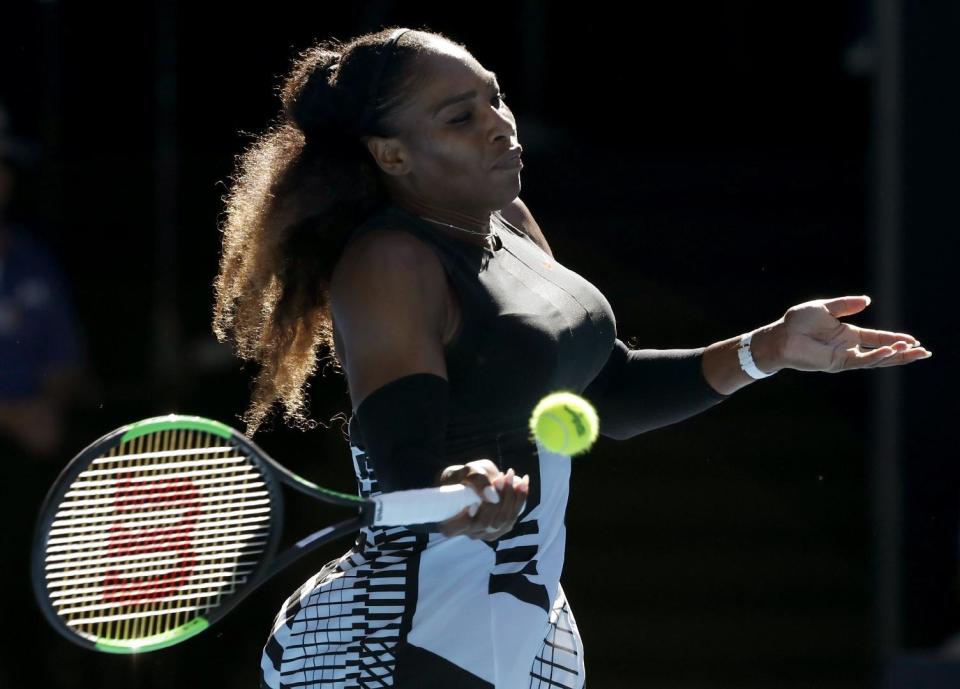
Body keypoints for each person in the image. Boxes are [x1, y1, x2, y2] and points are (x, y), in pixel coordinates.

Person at [211, 26, 930, 689]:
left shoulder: (511, 223)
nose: (499, 123)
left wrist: (770, 348)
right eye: (460, 118)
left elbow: (606, 392)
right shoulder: (391, 261)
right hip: (404, 637)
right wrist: (451, 488)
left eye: (494, 97)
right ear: (391, 155)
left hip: (526, 625)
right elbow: (405, 465)